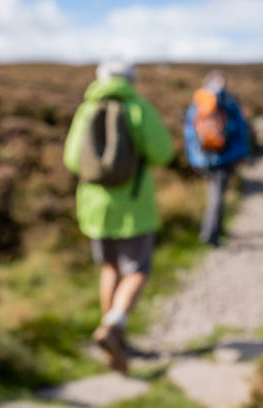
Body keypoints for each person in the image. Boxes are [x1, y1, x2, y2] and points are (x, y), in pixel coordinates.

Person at [63, 59, 174, 372]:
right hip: (134, 207)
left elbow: (72, 160)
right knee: (137, 269)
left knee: (109, 267)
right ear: (131, 79)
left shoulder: (86, 109)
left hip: (95, 208)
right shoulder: (139, 108)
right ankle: (113, 327)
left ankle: (114, 338)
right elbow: (163, 153)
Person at [183, 71, 250, 246]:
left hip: (205, 157)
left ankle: (216, 230)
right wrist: (242, 154)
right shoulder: (228, 102)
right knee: (218, 195)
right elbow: (240, 129)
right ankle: (210, 234)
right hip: (224, 157)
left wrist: (195, 158)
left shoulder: (197, 103)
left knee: (215, 194)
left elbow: (190, 133)